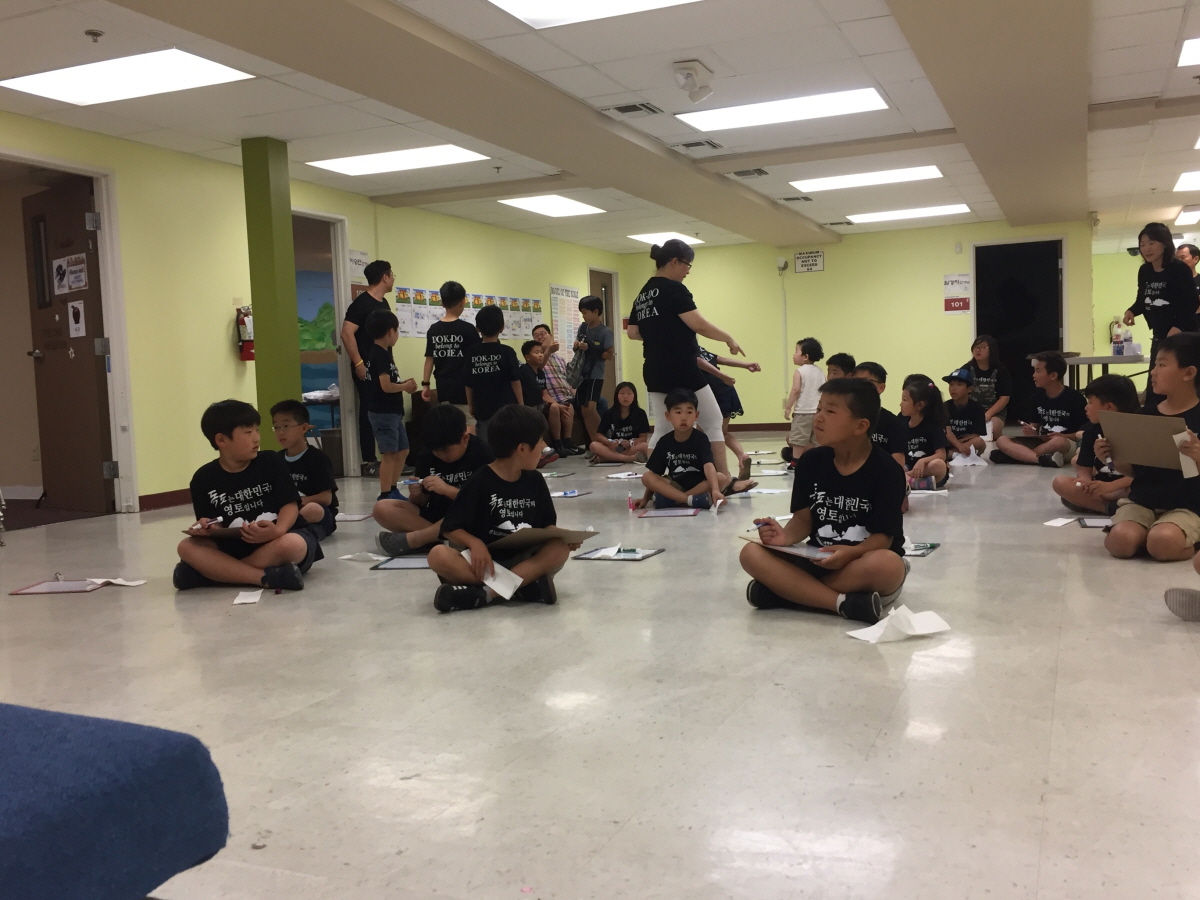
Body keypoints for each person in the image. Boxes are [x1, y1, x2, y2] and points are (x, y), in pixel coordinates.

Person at [739, 378, 908, 626]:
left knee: (888, 565)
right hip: (818, 559)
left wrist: (851, 553)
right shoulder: (811, 462)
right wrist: (784, 537)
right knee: (750, 553)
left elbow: (883, 539)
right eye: (819, 409)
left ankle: (788, 592)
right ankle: (841, 603)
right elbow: (802, 521)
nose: (818, 417)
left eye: (830, 411)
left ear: (860, 426)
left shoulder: (887, 470)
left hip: (860, 562)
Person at [428, 405, 577, 613]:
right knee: (438, 555)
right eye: (540, 443)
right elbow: (449, 527)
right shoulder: (480, 481)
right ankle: (523, 586)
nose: (544, 448)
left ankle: (486, 594)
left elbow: (546, 526)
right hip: (485, 563)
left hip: (524, 559)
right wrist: (475, 544)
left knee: (559, 548)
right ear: (522, 449)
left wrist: (565, 536)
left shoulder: (535, 480)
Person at [174, 400, 322, 592]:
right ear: (221, 440)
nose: (256, 438)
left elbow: (290, 505)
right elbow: (214, 524)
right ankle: (266, 578)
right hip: (235, 547)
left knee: (292, 545)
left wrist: (278, 530)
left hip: (279, 539)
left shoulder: (270, 461)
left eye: (257, 430)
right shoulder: (203, 478)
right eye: (248, 432)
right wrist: (207, 526)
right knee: (186, 547)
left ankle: (211, 574)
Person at [626, 239, 744, 478]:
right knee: (712, 422)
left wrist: (660, 335)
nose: (688, 271)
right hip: (681, 367)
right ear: (674, 262)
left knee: (662, 426)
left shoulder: (643, 293)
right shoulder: (674, 289)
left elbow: (632, 332)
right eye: (687, 265)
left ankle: (653, 479)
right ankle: (724, 478)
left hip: (653, 368)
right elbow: (699, 324)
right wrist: (728, 338)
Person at [1101, 332, 1200, 564]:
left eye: (1162, 365)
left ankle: (1178, 540)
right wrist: (1111, 456)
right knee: (1120, 542)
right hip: (1143, 501)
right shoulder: (1145, 414)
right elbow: (1133, 470)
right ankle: (1149, 536)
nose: (1153, 372)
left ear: (1188, 373)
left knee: (1163, 543)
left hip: (1188, 506)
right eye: (1154, 364)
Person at [373, 404, 493, 556]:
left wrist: (447, 490)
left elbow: (486, 500)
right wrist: (416, 494)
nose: (441, 456)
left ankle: (416, 539)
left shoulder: (482, 453)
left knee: (466, 512)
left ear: (465, 438)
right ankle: (443, 539)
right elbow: (421, 502)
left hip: (468, 516)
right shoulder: (427, 456)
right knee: (382, 508)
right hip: (435, 518)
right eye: (436, 452)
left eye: (445, 451)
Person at [641, 388, 755, 509]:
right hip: (675, 485)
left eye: (689, 412)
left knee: (721, 478)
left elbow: (708, 465)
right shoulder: (664, 441)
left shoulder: (701, 439)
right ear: (668, 416)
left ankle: (675, 500)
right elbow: (655, 472)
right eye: (678, 412)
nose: (683, 417)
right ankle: (689, 500)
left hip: (699, 485)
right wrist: (645, 499)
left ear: (696, 415)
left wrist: (715, 490)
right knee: (647, 477)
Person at [1123, 222, 1199, 399]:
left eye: (1152, 243)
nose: (1146, 249)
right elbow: (1143, 298)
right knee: (1156, 383)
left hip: (1183, 336)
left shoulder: (1179, 269)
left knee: (1182, 383)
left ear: (1164, 244)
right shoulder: (1145, 270)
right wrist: (1132, 310)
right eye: (1142, 244)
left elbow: (1191, 302)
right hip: (1159, 335)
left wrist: (1178, 327)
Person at [1051, 374, 1138, 515]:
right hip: (1100, 487)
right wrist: (1085, 481)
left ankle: (1097, 504)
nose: (1086, 407)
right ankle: (1108, 508)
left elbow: (1145, 475)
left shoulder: (1137, 430)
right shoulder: (1092, 431)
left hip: (1127, 486)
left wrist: (1111, 486)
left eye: (1090, 402)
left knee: (1140, 489)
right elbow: (1084, 468)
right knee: (1060, 482)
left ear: (1108, 407)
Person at [340, 260, 393, 474]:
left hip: (384, 365)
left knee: (386, 410)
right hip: (367, 366)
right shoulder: (361, 304)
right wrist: (358, 362)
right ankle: (369, 462)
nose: (393, 279)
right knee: (369, 412)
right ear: (385, 277)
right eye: (392, 275)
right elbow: (346, 333)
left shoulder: (384, 303)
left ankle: (389, 457)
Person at [990, 351, 1086, 468]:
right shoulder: (1037, 397)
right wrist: (1031, 431)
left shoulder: (1075, 399)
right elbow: (1035, 428)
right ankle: (1040, 459)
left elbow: (1084, 434)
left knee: (1058, 442)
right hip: (1043, 442)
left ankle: (1017, 456)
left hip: (1066, 443)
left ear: (1053, 376)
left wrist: (1064, 436)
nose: (1033, 375)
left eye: (1038, 371)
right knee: (1002, 440)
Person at [363, 308, 418, 500]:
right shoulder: (380, 355)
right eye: (397, 330)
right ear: (389, 332)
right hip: (383, 413)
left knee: (403, 450)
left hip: (393, 413)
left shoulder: (383, 354)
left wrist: (403, 384)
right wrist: (405, 387)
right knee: (389, 453)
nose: (397, 334)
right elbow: (385, 386)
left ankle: (393, 488)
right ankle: (386, 493)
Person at [270, 399, 338, 540]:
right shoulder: (276, 460)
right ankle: (291, 530)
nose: (281, 432)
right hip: (288, 512)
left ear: (303, 428)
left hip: (317, 515)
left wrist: (296, 503)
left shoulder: (318, 458)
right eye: (276, 427)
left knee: (313, 509)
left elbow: (326, 498)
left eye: (286, 426)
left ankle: (287, 529)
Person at [420, 280, 482, 433]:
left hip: (443, 388)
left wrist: (426, 385)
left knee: (450, 430)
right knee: (469, 425)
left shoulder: (433, 330)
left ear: (442, 303)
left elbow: (429, 359)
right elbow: (477, 360)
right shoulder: (468, 330)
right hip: (465, 389)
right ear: (462, 301)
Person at [696, 345, 761, 480]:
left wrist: (722, 375)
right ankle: (742, 456)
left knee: (703, 433)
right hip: (725, 389)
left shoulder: (689, 350)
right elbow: (722, 359)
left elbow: (700, 362)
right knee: (722, 432)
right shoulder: (699, 349)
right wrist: (746, 365)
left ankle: (710, 469)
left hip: (711, 391)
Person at [465, 305, 522, 443]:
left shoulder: (472, 352)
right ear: (502, 327)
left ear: (477, 328)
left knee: (487, 445)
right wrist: (521, 405)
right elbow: (515, 381)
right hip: (506, 408)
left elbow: (468, 382)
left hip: (483, 408)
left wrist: (470, 405)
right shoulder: (507, 351)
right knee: (508, 444)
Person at [895, 376, 949, 489]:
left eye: (905, 400)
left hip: (926, 469)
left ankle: (907, 480)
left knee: (938, 465)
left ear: (919, 405)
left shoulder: (933, 425)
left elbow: (941, 454)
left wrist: (923, 461)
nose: (901, 404)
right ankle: (916, 482)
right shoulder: (901, 424)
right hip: (909, 467)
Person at [574, 295, 614, 442]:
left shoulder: (605, 332)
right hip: (581, 374)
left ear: (596, 311)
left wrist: (591, 348)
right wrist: (577, 346)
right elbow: (578, 350)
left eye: (585, 312)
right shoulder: (583, 328)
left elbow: (609, 355)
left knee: (591, 408)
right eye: (582, 313)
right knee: (584, 410)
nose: (583, 316)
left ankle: (605, 439)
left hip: (595, 374)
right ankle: (594, 442)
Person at [783, 337, 825, 467]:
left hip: (803, 411)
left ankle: (795, 462)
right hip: (818, 411)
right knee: (816, 439)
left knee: (798, 439)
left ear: (805, 356)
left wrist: (788, 407)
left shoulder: (800, 371)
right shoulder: (820, 371)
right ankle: (818, 462)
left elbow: (795, 390)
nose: (793, 354)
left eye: (796, 351)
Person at [963, 334, 1012, 442]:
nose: (978, 350)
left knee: (993, 430)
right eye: (976, 347)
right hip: (971, 410)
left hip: (994, 411)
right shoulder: (966, 369)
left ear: (991, 350)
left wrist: (988, 414)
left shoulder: (1001, 370)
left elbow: (1004, 398)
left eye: (983, 347)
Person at [589, 381, 651, 463]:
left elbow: (643, 438)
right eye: (622, 393)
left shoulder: (640, 413)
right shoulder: (609, 413)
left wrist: (631, 442)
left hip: (630, 447)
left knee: (644, 446)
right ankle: (628, 458)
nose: (625, 396)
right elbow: (599, 435)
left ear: (634, 396)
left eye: (629, 393)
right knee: (593, 445)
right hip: (614, 447)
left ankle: (608, 458)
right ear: (617, 396)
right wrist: (609, 443)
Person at [852, 362, 903, 456]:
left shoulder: (893, 423)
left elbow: (898, 459)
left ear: (881, 387)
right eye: (855, 381)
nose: (859, 386)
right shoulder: (844, 417)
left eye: (866, 382)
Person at [942, 368, 988, 460]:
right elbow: (947, 432)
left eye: (959, 385)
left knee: (980, 442)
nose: (953, 388)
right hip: (949, 442)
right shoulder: (944, 407)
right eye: (951, 385)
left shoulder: (977, 408)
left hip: (966, 442)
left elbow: (976, 435)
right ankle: (958, 455)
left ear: (969, 389)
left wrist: (961, 444)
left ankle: (954, 454)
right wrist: (958, 445)